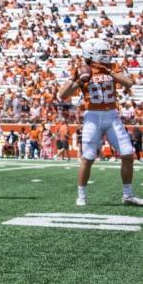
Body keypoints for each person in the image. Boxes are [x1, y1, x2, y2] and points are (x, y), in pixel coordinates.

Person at [57, 38, 142, 206]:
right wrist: (79, 81)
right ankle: (81, 196)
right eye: (103, 52)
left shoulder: (112, 68)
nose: (106, 55)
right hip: (92, 116)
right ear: (91, 54)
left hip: (112, 115)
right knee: (88, 157)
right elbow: (62, 94)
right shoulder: (81, 70)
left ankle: (128, 195)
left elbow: (129, 82)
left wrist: (109, 72)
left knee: (128, 154)